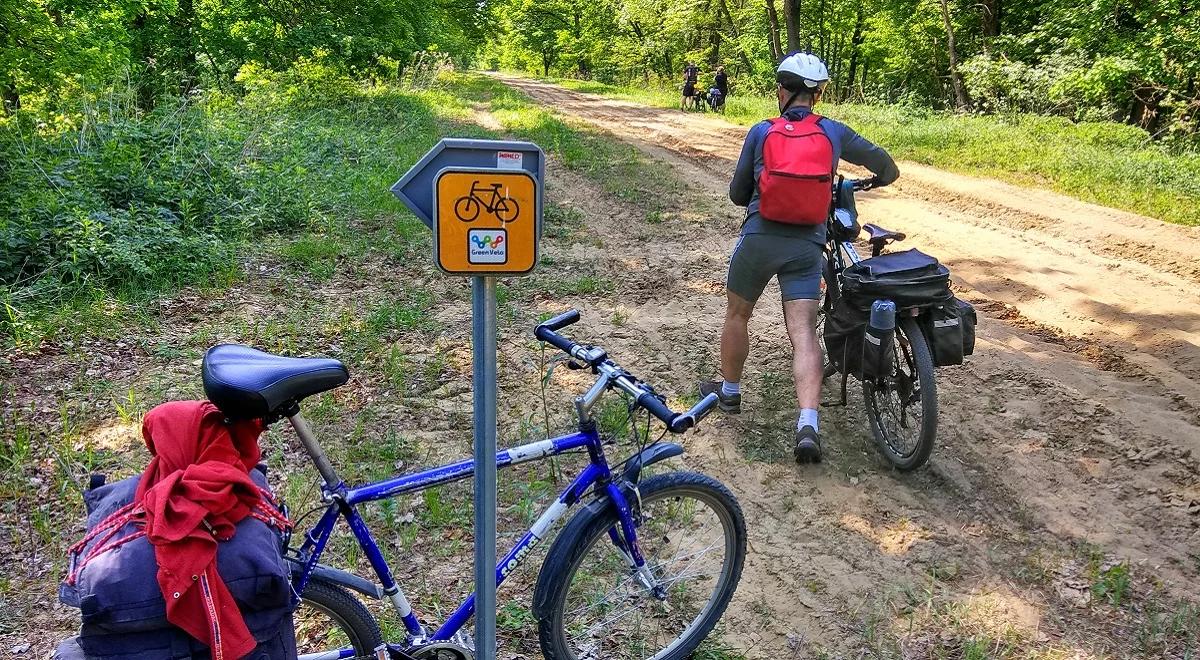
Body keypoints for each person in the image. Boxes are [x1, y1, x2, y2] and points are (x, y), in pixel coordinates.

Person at [699, 53, 899, 463]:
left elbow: (738, 195)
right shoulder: (833, 131)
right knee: (803, 332)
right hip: (807, 246)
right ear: (818, 94)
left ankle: (731, 393)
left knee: (738, 314)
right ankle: (808, 423)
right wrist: (882, 177)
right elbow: (884, 164)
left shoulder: (761, 131)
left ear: (781, 92)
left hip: (759, 238)